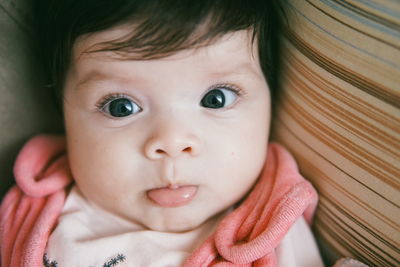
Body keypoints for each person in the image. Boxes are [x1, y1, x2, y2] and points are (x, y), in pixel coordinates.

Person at [0, 1, 324, 266]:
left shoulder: (269, 230)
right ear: (63, 114)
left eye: (216, 99)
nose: (172, 142)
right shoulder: (32, 211)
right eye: (121, 107)